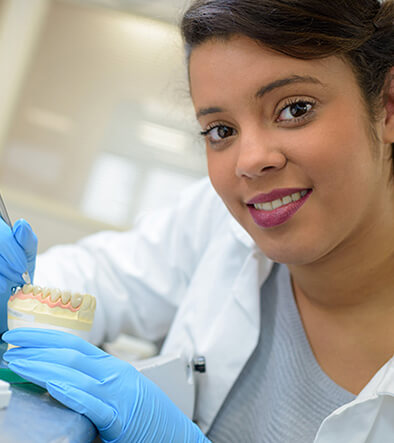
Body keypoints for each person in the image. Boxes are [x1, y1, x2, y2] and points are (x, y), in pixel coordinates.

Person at [0, 0, 393, 441]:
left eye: (295, 108)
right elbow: (99, 276)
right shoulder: (215, 221)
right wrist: (16, 299)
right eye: (221, 131)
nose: (250, 161)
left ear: (387, 105)